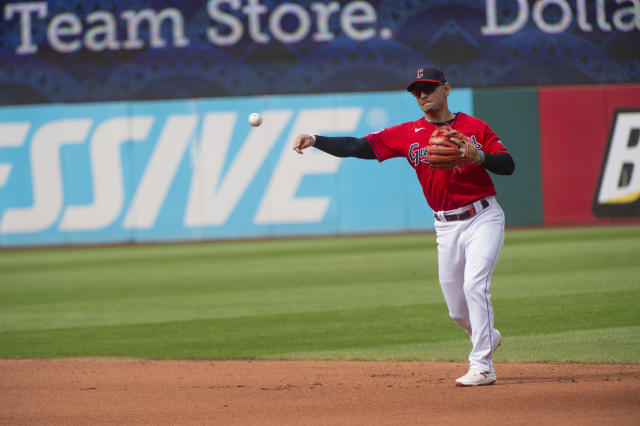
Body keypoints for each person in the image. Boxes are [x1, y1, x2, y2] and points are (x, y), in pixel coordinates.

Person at [293, 66, 515, 387]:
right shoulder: (406, 133)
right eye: (416, 91)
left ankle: (482, 366)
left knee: (474, 286)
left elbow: (508, 165)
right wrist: (315, 140)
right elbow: (358, 146)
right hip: (445, 226)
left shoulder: (474, 127)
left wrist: (478, 156)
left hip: (483, 217)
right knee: (457, 311)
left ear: (446, 88)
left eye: (428, 88)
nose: (422, 95)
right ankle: (487, 336)